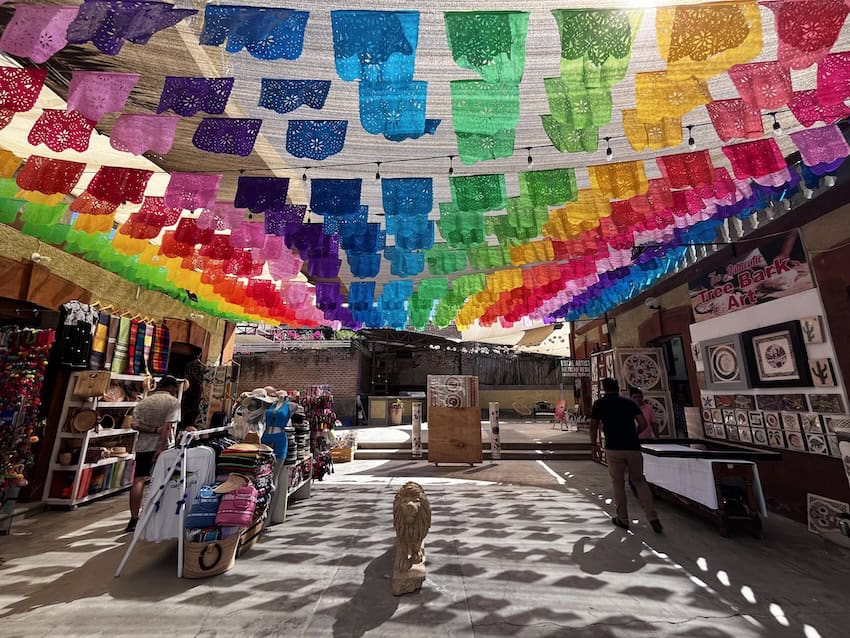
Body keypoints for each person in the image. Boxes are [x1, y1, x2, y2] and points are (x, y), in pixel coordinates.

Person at [590, 378, 663, 533]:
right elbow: (643, 423)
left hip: (613, 447)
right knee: (639, 481)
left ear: (603, 389)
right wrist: (634, 435)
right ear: (618, 388)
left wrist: (593, 444)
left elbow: (594, 425)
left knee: (618, 483)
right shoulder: (629, 403)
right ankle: (652, 517)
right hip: (633, 447)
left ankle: (622, 518)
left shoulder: (599, 404)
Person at [124, 375, 183, 533]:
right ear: (171, 387)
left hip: (143, 445)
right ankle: (156, 514)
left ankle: (134, 518)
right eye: (175, 389)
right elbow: (167, 427)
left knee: (139, 480)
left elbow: (134, 424)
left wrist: (152, 430)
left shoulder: (144, 401)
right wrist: (160, 448)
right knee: (164, 481)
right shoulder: (172, 402)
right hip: (164, 448)